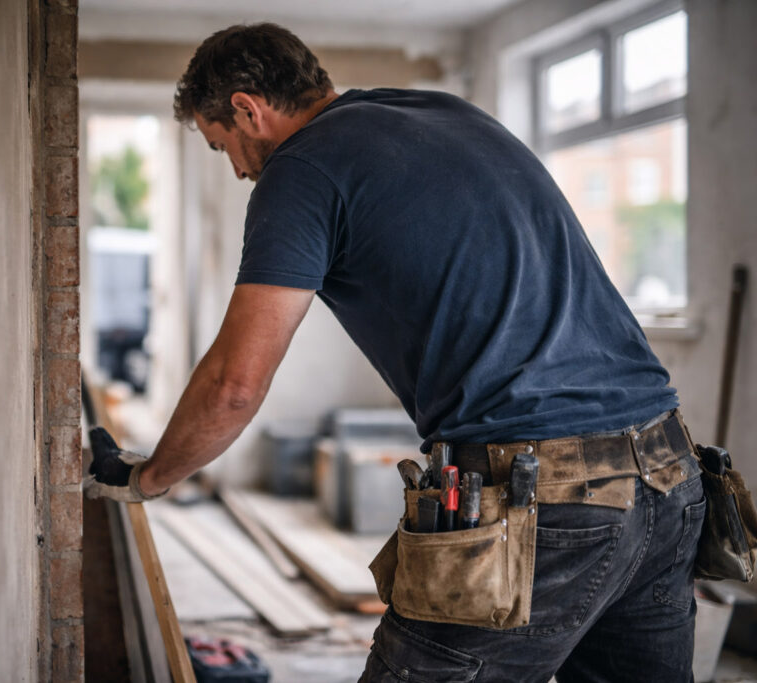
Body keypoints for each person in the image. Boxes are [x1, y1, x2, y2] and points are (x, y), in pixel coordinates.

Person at [87, 23, 703, 682]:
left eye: (223, 146)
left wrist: (148, 476)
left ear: (246, 108)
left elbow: (235, 383)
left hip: (542, 498)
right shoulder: (444, 112)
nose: (237, 168)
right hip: (670, 472)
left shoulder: (301, 168)